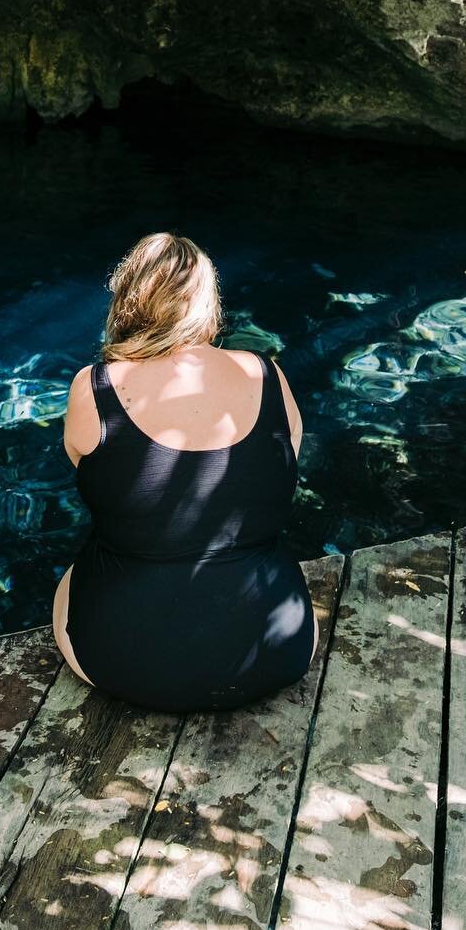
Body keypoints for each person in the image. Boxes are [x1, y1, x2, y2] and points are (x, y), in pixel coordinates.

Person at [52, 232, 319, 713]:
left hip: (126, 663)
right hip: (279, 647)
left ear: (128, 301)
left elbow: (89, 474)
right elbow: (286, 464)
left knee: (74, 575)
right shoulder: (266, 375)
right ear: (207, 303)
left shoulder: (95, 388)